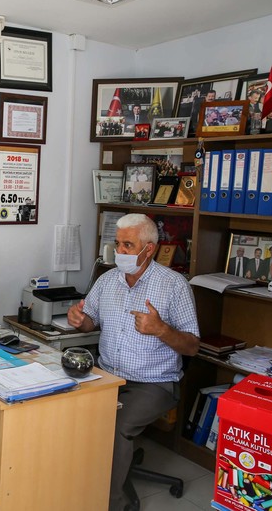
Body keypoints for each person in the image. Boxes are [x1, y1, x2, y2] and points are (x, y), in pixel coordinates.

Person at [65, 214, 199, 511]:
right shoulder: (107, 280)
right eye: (118, 244)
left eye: (128, 245)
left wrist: (160, 329)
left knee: (113, 426)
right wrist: (80, 321)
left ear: (149, 249)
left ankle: (111, 504)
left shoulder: (174, 286)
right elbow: (91, 324)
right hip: (106, 376)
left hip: (153, 384)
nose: (120, 252)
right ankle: (70, 484)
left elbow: (192, 346)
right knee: (63, 408)